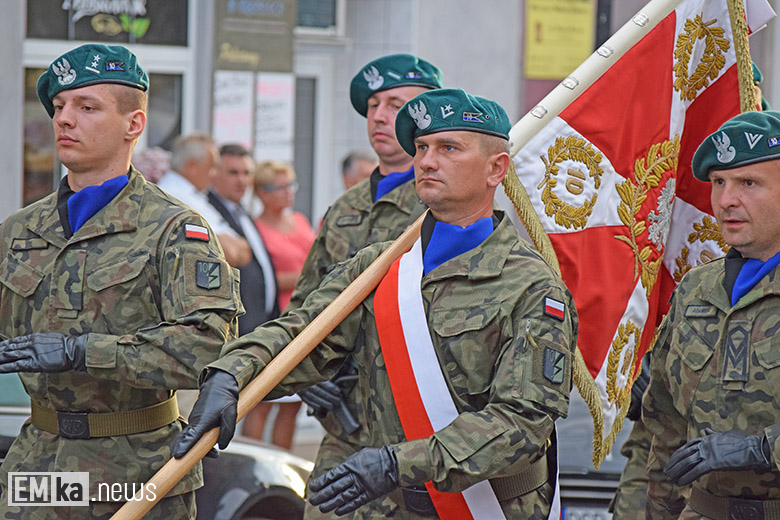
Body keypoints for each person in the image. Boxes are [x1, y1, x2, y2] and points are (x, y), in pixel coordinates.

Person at [174, 88, 578, 518]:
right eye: (422, 147)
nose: (427, 161)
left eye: (448, 148)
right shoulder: (381, 266)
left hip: (481, 506)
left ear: (496, 169)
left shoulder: (531, 285)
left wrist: (395, 464)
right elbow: (301, 332)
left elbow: (523, 421)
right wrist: (230, 374)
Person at [0, 43, 242, 519]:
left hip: (135, 471)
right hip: (39, 463)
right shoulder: (18, 231)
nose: (65, 119)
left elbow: (208, 346)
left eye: (87, 107)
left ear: (134, 124)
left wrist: (83, 351)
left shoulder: (175, 229)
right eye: (59, 107)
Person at [286, 54, 443, 519]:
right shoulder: (346, 208)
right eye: (373, 104)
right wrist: (306, 378)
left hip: (420, 436)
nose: (378, 115)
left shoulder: (444, 201)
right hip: (346, 431)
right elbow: (305, 308)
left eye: (394, 103)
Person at [642, 110, 780, 518]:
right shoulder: (697, 289)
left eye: (748, 183)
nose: (725, 201)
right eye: (719, 182)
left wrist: (759, 448)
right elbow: (665, 423)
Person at [238, 160, 314, 448]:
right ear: (261, 193)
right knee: (262, 400)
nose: (287, 193)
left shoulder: (300, 220)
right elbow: (260, 279)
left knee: (292, 403)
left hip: (304, 322)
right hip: (274, 321)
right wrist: (304, 277)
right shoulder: (255, 229)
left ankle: (284, 466)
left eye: (290, 185)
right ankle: (252, 464)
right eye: (278, 187)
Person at [207, 143, 279, 335]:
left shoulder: (243, 213)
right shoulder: (208, 212)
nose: (241, 180)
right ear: (214, 173)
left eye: (247, 173)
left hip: (261, 325)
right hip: (238, 330)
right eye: (233, 173)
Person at [157, 133, 252, 268]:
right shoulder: (175, 197)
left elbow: (242, 250)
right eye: (212, 167)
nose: (214, 174)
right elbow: (230, 253)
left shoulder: (191, 195)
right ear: (192, 166)